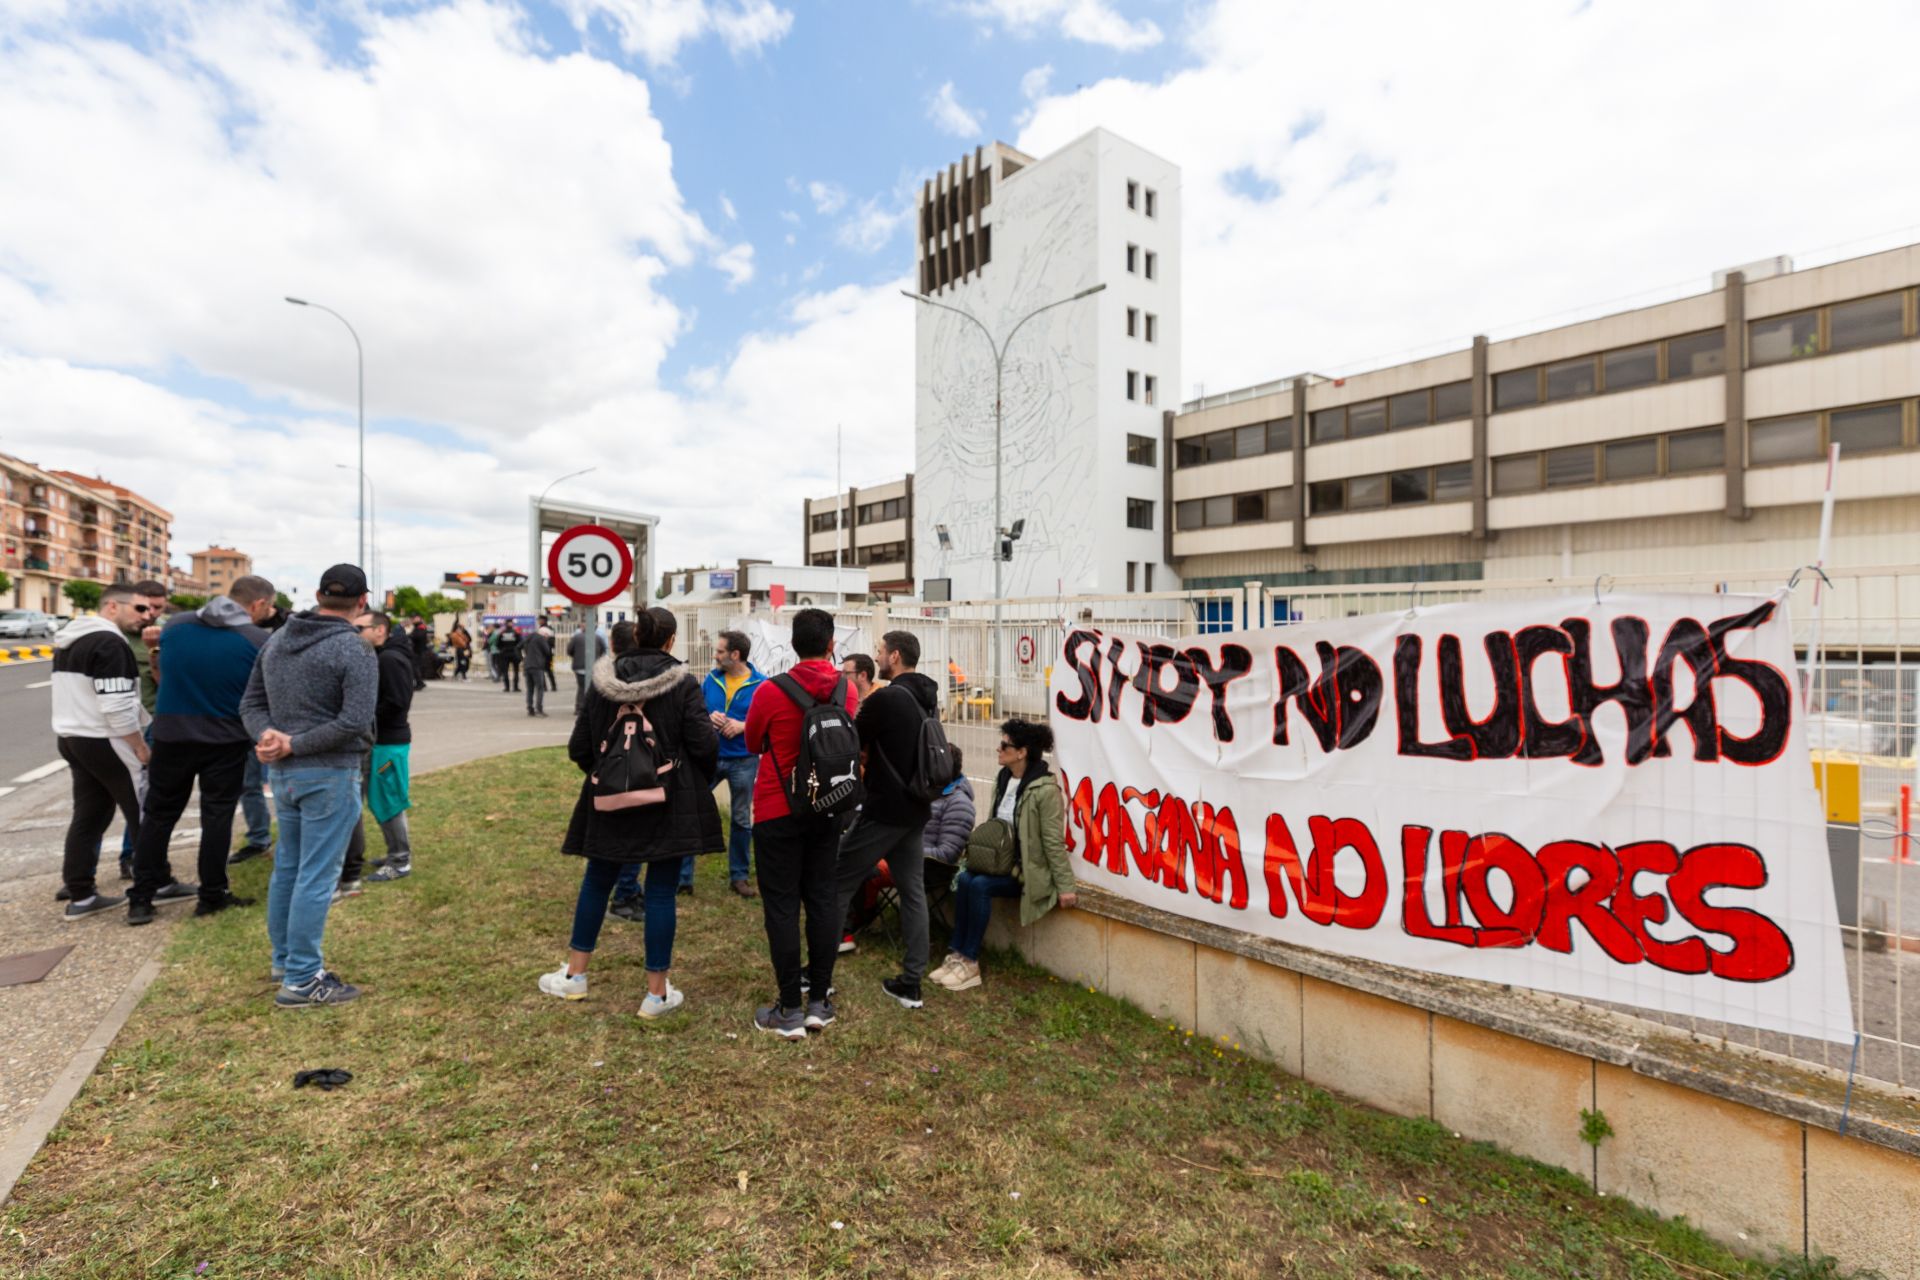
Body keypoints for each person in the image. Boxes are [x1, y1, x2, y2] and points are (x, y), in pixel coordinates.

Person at [545, 608, 721, 1017]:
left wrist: (609, 774)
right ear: (671, 641)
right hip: (668, 800)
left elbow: (579, 747)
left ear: (635, 634)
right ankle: (656, 995)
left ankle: (575, 976)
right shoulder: (683, 684)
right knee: (661, 892)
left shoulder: (603, 683)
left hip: (609, 801)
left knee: (597, 881)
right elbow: (704, 744)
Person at [240, 563, 378, 1009]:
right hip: (328, 772)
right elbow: (355, 722)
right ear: (362, 602)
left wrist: (269, 736)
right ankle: (302, 978)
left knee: (290, 868)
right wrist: (291, 743)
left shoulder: (278, 639)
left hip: (284, 773)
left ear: (319, 595)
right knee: (316, 875)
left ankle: (285, 960)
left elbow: (251, 703)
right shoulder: (355, 650)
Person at [126, 576, 276, 926]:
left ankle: (141, 897)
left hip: (171, 734)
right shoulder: (257, 640)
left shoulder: (175, 626)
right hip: (225, 739)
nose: (268, 614)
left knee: (159, 815)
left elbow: (162, 676)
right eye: (268, 607)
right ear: (257, 604)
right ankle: (211, 895)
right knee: (217, 816)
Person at [744, 607, 857, 1039]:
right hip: (829, 807)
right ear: (831, 645)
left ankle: (789, 1008)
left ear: (793, 645)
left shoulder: (770, 691)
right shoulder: (846, 690)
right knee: (824, 900)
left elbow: (754, 741)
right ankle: (819, 1002)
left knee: (782, 906)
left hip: (777, 809)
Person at [826, 630, 942, 1008]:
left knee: (838, 879)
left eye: (879, 652)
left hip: (884, 809)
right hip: (915, 809)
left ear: (894, 656)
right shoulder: (928, 697)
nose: (876, 658)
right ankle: (911, 984)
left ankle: (818, 978)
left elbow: (850, 739)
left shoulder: (887, 698)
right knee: (913, 893)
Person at [932, 719, 1077, 993]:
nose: (998, 750)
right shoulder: (1004, 779)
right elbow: (994, 826)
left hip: (1025, 870)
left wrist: (1065, 885)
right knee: (965, 880)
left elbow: (1052, 840)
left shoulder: (1045, 790)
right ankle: (957, 956)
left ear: (1022, 752)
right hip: (998, 864)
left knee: (979, 886)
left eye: (1004, 746)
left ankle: (971, 962)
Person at [51, 583, 166, 918]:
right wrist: (139, 745)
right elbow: (117, 706)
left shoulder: (70, 639)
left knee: (89, 816)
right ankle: (154, 885)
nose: (147, 616)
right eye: (139, 609)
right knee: (144, 814)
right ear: (113, 606)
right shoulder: (109, 642)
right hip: (107, 739)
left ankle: (81, 894)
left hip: (73, 736)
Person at [338, 611, 417, 891]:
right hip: (384, 740)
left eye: (361, 628)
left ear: (380, 630)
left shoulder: (389, 659)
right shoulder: (387, 656)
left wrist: (362, 717)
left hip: (388, 741)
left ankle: (400, 860)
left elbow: (397, 701)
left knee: (389, 801)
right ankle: (395, 853)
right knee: (382, 799)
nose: (355, 633)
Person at [695, 628, 764, 898]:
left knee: (740, 819)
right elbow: (696, 711)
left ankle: (739, 877)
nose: (715, 655)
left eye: (720, 651)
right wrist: (707, 717)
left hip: (744, 761)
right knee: (693, 811)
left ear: (735, 655)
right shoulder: (711, 679)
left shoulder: (761, 685)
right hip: (710, 757)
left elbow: (767, 722)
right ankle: (683, 877)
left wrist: (743, 726)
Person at [230, 602, 287, 866]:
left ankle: (270, 838)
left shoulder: (270, 638)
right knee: (249, 785)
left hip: (262, 724)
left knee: (270, 782)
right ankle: (259, 837)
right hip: (240, 722)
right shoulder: (245, 637)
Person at [922, 744, 974, 900]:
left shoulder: (959, 803)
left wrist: (905, 852)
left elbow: (946, 855)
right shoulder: (929, 791)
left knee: (862, 868)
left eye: (932, 763)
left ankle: (858, 918)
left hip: (925, 869)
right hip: (909, 862)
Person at [522, 621, 553, 717]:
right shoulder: (541, 638)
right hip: (537, 666)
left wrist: (522, 659)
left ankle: (530, 708)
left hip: (527, 665)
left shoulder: (529, 637)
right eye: (547, 636)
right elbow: (547, 651)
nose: (547, 638)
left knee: (530, 688)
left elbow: (520, 647)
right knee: (540, 688)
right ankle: (539, 709)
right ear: (545, 634)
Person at [569, 624, 606, 699]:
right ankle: (591, 708)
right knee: (593, 689)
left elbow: (569, 650)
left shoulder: (576, 637)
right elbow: (603, 651)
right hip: (594, 667)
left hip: (579, 667)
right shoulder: (598, 638)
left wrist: (576, 657)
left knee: (581, 688)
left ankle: (579, 708)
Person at [496, 622, 523, 693]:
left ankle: (507, 687)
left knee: (505, 671)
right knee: (516, 671)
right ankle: (515, 687)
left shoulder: (502, 633)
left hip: (504, 654)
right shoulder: (516, 633)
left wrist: (502, 649)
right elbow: (520, 643)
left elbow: (498, 644)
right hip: (514, 654)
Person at [538, 622, 559, 691]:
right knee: (543, 672)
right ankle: (544, 687)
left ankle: (553, 686)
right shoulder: (542, 638)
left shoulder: (550, 638)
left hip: (548, 657)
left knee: (549, 672)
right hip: (543, 656)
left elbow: (552, 646)